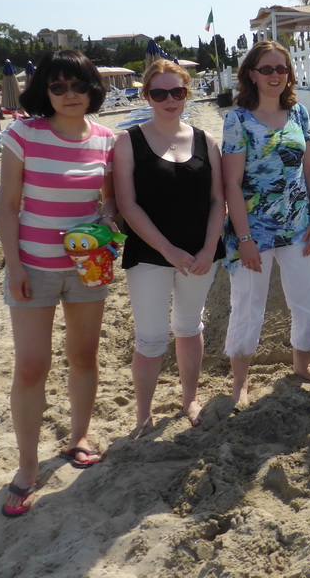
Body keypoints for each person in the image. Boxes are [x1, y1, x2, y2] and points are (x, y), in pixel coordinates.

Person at [0, 50, 115, 518]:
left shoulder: (109, 139)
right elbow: (8, 205)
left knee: (84, 355)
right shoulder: (23, 133)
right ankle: (27, 467)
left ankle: (78, 437)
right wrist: (15, 266)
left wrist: (102, 227)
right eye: (59, 86)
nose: (70, 95)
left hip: (90, 266)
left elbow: (110, 201)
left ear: (93, 90)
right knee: (31, 365)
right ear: (44, 91)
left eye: (79, 86)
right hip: (33, 266)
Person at [114, 60, 225, 437]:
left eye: (177, 92)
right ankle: (143, 414)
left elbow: (217, 201)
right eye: (159, 93)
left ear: (187, 93)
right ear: (146, 96)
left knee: (190, 327)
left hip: (199, 255)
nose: (169, 100)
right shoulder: (128, 142)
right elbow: (128, 205)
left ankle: (189, 398)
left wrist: (210, 248)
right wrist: (168, 251)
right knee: (150, 337)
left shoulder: (206, 140)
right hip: (149, 255)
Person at [222, 41, 310, 406]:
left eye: (281, 69)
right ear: (251, 74)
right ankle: (240, 383)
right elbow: (231, 185)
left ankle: (302, 365)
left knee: (308, 298)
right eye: (266, 69)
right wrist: (245, 237)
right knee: (248, 306)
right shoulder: (237, 119)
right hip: (254, 232)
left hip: (299, 225)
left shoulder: (298, 113)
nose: (275, 76)